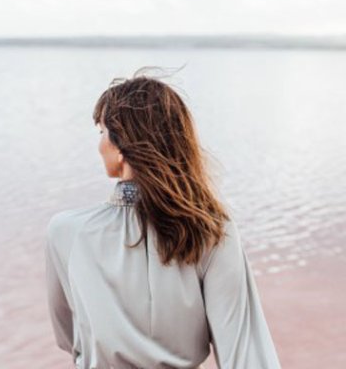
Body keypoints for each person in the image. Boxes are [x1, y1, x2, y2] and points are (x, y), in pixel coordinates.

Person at [44, 70, 282, 369]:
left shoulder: (66, 232)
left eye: (102, 132)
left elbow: (68, 337)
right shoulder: (211, 231)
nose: (100, 143)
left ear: (120, 147)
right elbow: (244, 353)